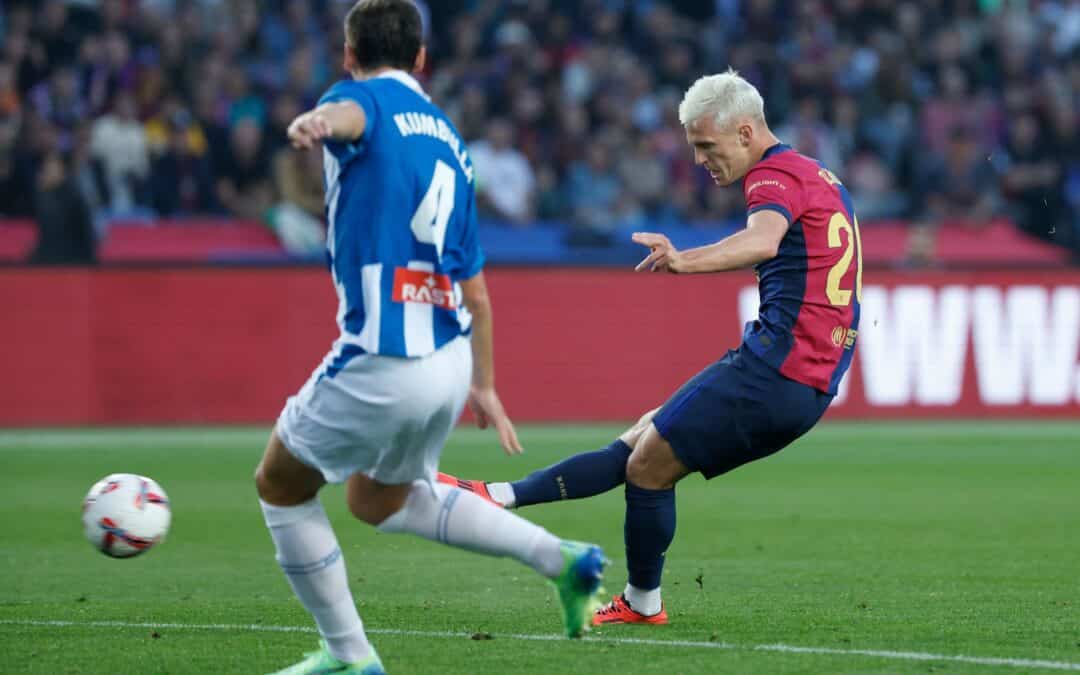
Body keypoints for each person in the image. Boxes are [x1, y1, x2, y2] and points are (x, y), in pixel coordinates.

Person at [253, 3, 606, 674]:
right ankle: (560, 558)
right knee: (378, 497)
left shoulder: (358, 101)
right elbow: (476, 286)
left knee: (280, 482)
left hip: (385, 353)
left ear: (349, 53)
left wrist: (320, 121)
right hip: (447, 356)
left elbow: (352, 119)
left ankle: (349, 656)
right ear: (422, 59)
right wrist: (485, 383)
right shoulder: (450, 141)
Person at [440, 68, 862, 627]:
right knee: (644, 437)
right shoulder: (818, 174)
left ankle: (641, 602)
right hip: (800, 375)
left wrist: (684, 259)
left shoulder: (771, 177)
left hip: (778, 369)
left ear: (744, 132)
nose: (699, 160)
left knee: (648, 465)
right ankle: (497, 496)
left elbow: (761, 241)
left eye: (706, 145)